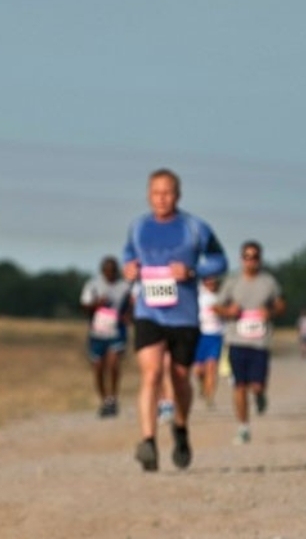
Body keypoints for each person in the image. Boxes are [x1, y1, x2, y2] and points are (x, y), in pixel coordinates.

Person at [122, 168, 228, 471]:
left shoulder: (195, 228)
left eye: (167, 193)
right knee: (152, 374)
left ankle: (180, 429)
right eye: (156, 193)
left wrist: (194, 272)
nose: (161, 198)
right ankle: (148, 442)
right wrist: (128, 268)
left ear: (177, 196)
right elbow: (127, 257)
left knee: (180, 378)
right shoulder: (138, 227)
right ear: (148, 195)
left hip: (183, 316)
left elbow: (220, 260)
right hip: (149, 313)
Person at [214, 241, 285, 445]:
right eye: (247, 256)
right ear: (241, 258)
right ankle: (243, 427)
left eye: (254, 257)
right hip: (236, 340)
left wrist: (270, 312)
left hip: (260, 342)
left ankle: (260, 395)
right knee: (239, 386)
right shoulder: (232, 282)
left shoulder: (268, 282)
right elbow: (217, 306)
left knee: (256, 385)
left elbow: (281, 304)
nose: (250, 261)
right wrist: (228, 312)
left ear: (260, 259)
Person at [79, 256, 133, 417]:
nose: (110, 275)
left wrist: (128, 316)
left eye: (113, 272)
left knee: (113, 363)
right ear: (102, 271)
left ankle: (113, 397)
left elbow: (132, 304)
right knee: (98, 368)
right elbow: (84, 306)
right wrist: (97, 303)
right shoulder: (93, 285)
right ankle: (104, 400)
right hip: (97, 333)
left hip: (116, 332)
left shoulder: (124, 286)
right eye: (107, 272)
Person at [192, 275, 225, 408]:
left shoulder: (222, 295)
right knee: (199, 370)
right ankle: (202, 385)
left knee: (212, 366)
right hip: (199, 335)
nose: (211, 282)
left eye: (213, 279)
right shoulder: (197, 293)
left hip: (216, 335)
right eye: (208, 279)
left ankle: (210, 397)